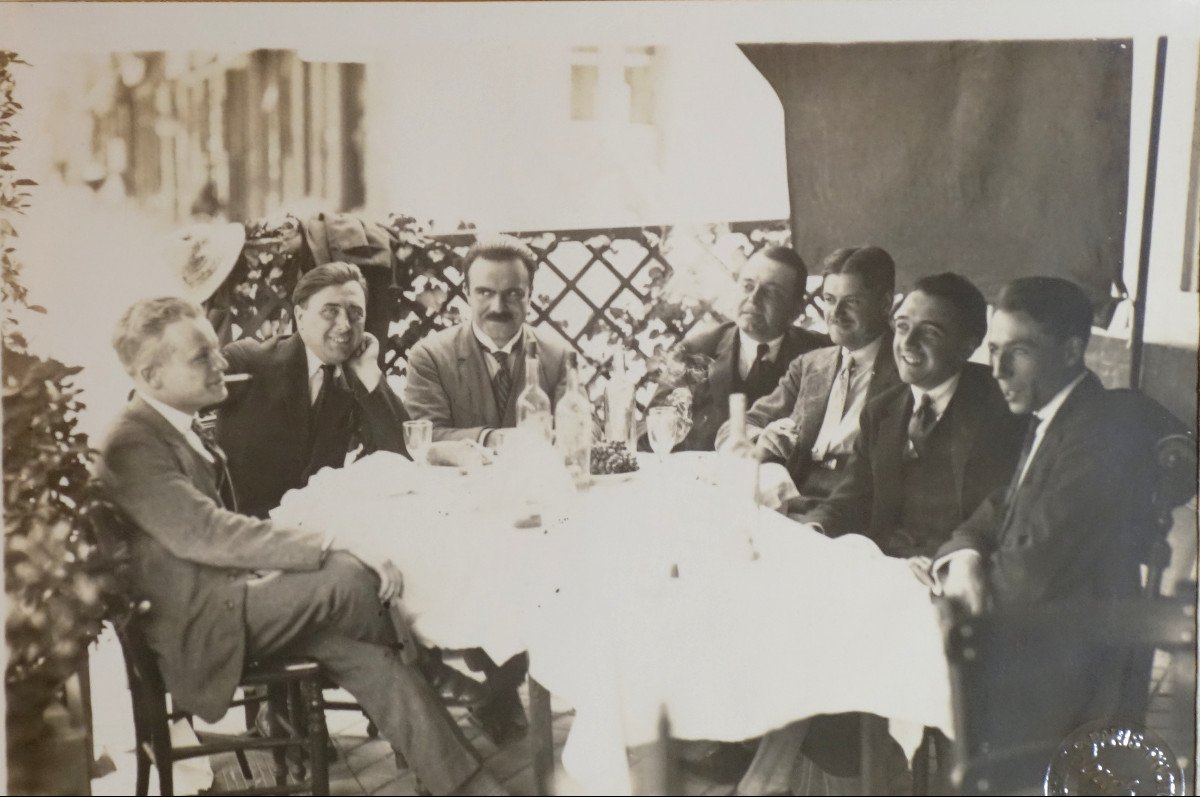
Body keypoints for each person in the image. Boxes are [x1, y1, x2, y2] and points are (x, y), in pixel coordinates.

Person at [97, 297, 507, 796]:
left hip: (229, 600)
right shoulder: (133, 443)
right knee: (352, 575)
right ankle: (427, 661)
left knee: (371, 657)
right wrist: (335, 540)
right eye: (202, 356)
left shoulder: (166, 427)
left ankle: (466, 787)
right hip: (198, 628)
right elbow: (209, 533)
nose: (221, 362)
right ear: (152, 375)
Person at [759, 273, 1025, 793]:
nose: (906, 343)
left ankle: (894, 768)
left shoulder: (997, 407)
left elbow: (1003, 503)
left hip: (948, 575)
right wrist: (816, 527)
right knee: (795, 605)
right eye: (902, 326)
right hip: (885, 566)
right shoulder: (884, 407)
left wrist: (948, 557)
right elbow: (854, 495)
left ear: (970, 344)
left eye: (930, 333)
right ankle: (824, 765)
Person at [928, 276, 1161, 749]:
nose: (998, 370)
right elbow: (1002, 505)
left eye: (1020, 352)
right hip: (1042, 646)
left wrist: (953, 606)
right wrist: (968, 555)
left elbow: (1029, 572)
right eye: (993, 350)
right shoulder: (1058, 415)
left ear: (1072, 351)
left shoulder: (1098, 432)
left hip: (1073, 675)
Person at [215, 261, 411, 520]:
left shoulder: (354, 378)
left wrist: (368, 371)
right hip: (248, 532)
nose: (345, 325)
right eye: (330, 311)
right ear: (300, 317)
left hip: (318, 532)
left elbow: (402, 453)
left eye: (356, 313)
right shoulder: (249, 361)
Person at [716, 246, 900, 505]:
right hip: (791, 503)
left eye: (852, 301)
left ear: (884, 304)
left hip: (858, 515)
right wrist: (761, 438)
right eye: (829, 299)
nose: (835, 314)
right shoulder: (810, 365)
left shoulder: (907, 371)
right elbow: (734, 429)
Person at [651, 245, 828, 451]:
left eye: (771, 293)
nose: (753, 298)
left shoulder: (819, 355)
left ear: (796, 310)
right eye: (747, 286)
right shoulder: (697, 349)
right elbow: (655, 427)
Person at [404, 234, 570, 448]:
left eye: (513, 293)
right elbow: (424, 435)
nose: (498, 307)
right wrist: (493, 439)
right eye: (485, 292)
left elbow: (586, 427)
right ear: (466, 293)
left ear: (529, 295)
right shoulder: (430, 356)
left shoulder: (558, 356)